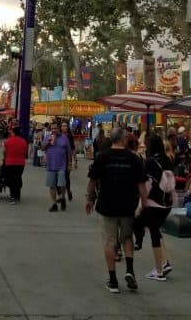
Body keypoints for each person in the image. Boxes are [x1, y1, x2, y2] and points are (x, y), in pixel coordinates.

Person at [86, 127, 148, 294]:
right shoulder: (134, 158)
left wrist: (89, 199)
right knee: (127, 237)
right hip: (128, 205)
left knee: (109, 241)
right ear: (123, 140)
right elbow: (141, 185)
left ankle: (113, 280)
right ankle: (129, 270)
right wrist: (145, 204)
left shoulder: (102, 157)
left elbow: (92, 180)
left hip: (107, 204)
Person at [134, 133, 174, 281]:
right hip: (167, 203)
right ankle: (164, 263)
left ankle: (159, 270)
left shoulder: (150, 162)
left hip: (153, 202)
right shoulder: (167, 160)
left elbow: (147, 185)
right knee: (156, 230)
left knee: (154, 234)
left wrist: (140, 205)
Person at [42, 121, 72, 212]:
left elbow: (69, 152)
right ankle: (54, 204)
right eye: (52, 128)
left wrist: (70, 163)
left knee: (62, 185)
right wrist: (48, 142)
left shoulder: (64, 138)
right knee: (51, 186)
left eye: (55, 128)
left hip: (61, 166)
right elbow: (42, 148)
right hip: (50, 165)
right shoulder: (47, 137)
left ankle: (62, 198)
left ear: (59, 129)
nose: (54, 130)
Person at [2, 125, 28, 203]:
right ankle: (17, 195)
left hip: (10, 163)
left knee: (11, 179)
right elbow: (25, 153)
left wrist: (5, 158)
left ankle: (12, 196)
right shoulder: (23, 141)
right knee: (17, 177)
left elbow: (4, 152)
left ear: (13, 132)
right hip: (20, 163)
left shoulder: (8, 141)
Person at [61, 121, 76, 201]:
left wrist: (75, 161)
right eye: (63, 126)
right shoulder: (58, 135)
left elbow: (73, 149)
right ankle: (61, 194)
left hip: (67, 159)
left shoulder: (70, 136)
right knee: (59, 177)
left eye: (65, 126)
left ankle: (68, 191)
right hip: (59, 159)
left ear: (67, 127)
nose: (64, 127)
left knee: (66, 177)